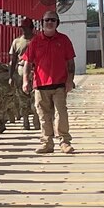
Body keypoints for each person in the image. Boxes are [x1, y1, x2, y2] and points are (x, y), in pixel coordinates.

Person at [25, 11, 77, 154]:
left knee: (61, 114)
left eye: (53, 20)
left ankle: (65, 142)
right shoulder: (35, 42)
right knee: (43, 115)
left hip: (60, 84)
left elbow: (70, 63)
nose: (49, 22)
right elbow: (28, 63)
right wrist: (25, 81)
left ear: (57, 23)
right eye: (47, 20)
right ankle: (47, 143)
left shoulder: (64, 40)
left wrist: (70, 81)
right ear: (42, 22)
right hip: (40, 85)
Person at [11, 20, 39, 129]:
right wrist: (11, 75)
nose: (23, 30)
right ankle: (25, 120)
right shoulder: (17, 42)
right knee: (22, 97)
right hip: (21, 70)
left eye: (25, 27)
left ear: (31, 28)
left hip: (35, 70)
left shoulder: (38, 40)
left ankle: (36, 118)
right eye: (22, 28)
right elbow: (13, 59)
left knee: (36, 96)